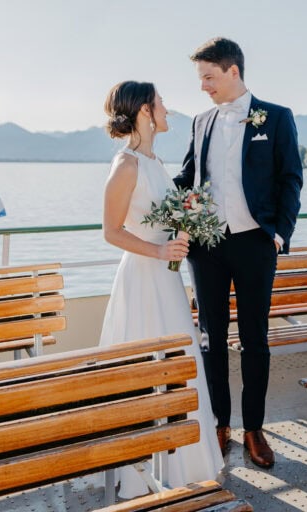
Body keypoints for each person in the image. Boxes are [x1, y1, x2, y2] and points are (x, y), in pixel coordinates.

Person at [174, 37, 303, 468]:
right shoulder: (201, 121)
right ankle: (218, 423)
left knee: (254, 340)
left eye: (208, 77)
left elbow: (291, 180)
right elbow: (188, 176)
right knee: (210, 339)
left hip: (255, 243)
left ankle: (254, 429)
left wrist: (280, 233)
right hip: (206, 247)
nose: (203, 86)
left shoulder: (277, 118)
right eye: (201, 79)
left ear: (232, 71)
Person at [100, 80, 223, 498]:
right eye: (161, 103)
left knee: (178, 364)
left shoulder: (154, 160)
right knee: (147, 369)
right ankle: (138, 470)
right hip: (143, 279)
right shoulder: (127, 165)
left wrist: (181, 230)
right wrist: (158, 250)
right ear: (144, 112)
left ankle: (184, 463)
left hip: (167, 279)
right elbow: (111, 232)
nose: (167, 108)